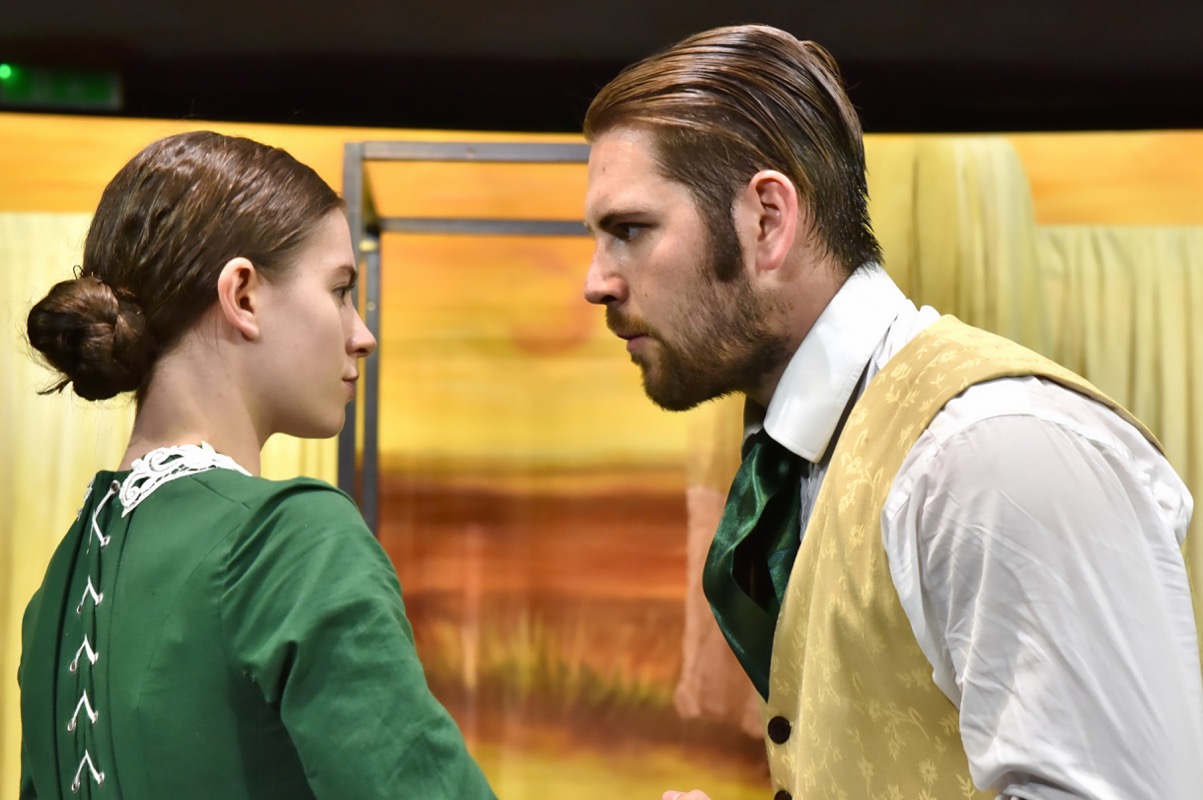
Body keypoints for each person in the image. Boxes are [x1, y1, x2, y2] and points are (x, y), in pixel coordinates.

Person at [582, 24, 1203, 800]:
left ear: (766, 219)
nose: (595, 282)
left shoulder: (990, 456)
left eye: (629, 230)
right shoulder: (817, 453)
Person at [19, 131, 496, 799]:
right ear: (242, 295)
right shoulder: (289, 541)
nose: (362, 334)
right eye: (340, 289)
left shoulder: (57, 593)